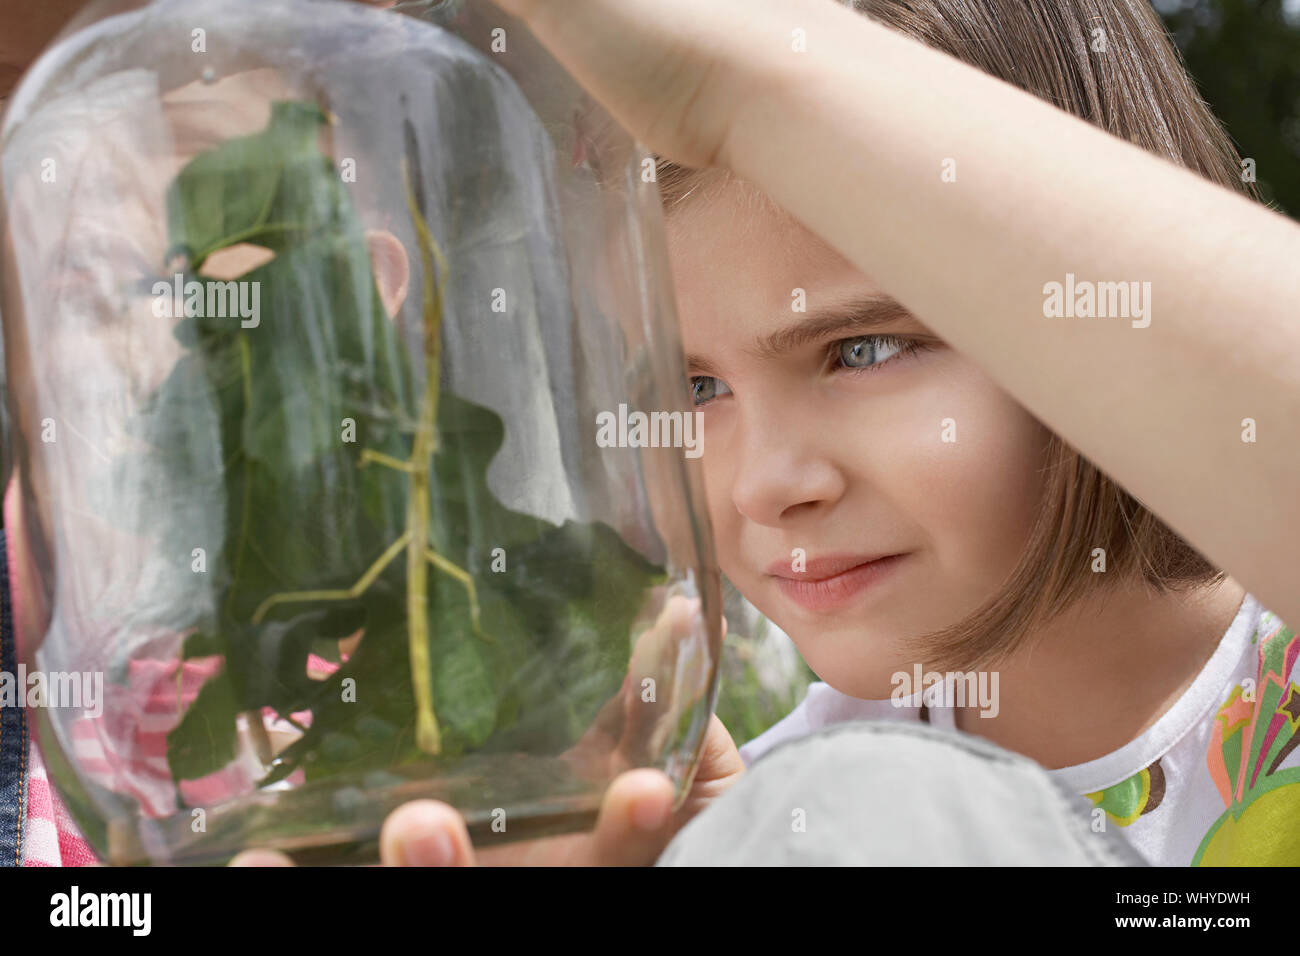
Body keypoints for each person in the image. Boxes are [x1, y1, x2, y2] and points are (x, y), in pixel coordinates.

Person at [6, 0, 1300, 867]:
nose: (770, 482)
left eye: (864, 348)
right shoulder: (758, 804)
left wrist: (734, 84)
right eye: (688, 389)